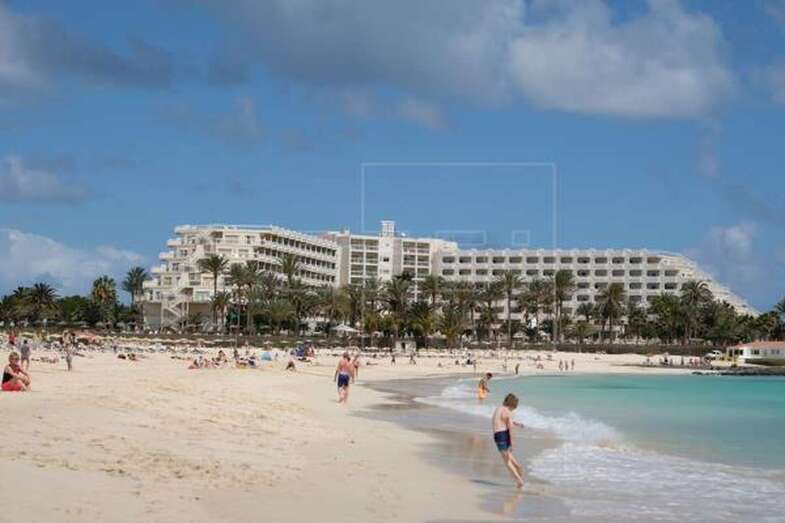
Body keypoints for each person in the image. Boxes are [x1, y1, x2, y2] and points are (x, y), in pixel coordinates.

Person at [492, 393, 525, 489]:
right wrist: (511, 442)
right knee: (508, 456)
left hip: (499, 435)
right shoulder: (508, 412)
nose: (513, 409)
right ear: (512, 405)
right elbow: (509, 426)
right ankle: (518, 467)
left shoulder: (498, 408)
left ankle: (519, 481)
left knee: (506, 461)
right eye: (514, 407)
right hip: (503, 434)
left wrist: (511, 443)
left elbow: (507, 424)